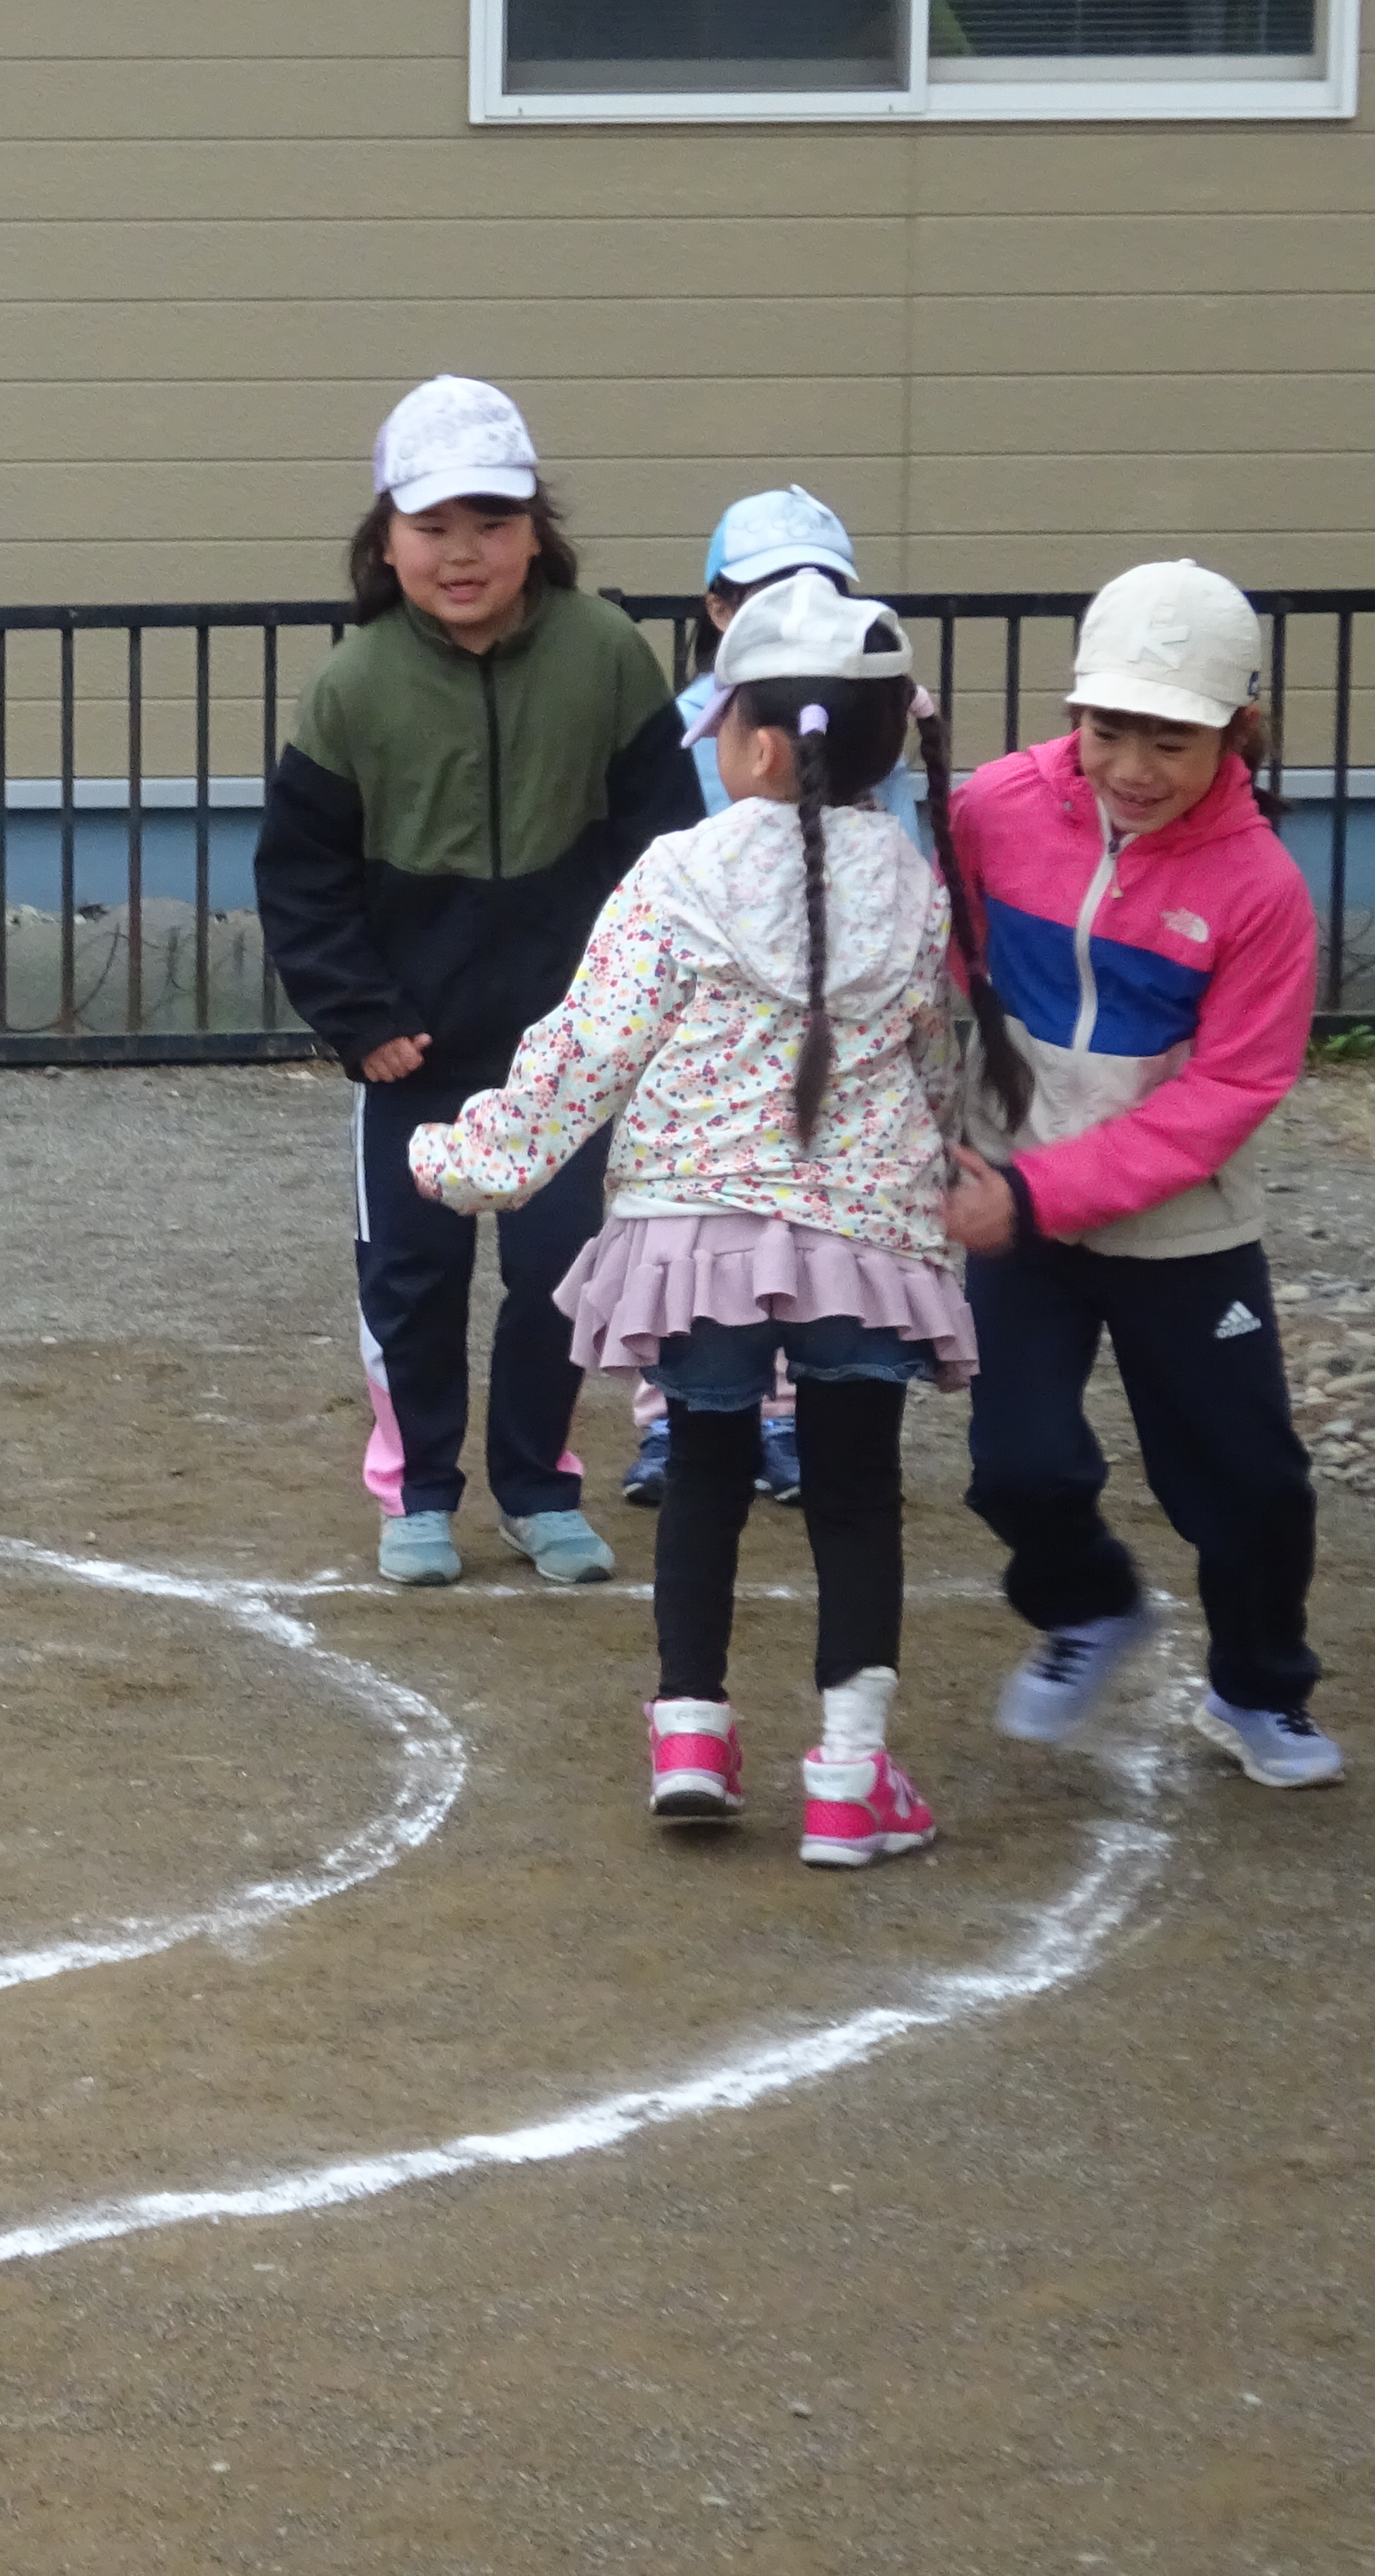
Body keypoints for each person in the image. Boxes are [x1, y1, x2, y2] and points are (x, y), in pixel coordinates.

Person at [411, 576, 1003, 1862]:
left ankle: (690, 1732)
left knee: (705, 1475)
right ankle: (850, 1778)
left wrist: (471, 1161)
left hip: (699, 1237)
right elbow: (931, 1061)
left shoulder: (678, 873)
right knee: (857, 1495)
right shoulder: (914, 885)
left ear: (761, 745)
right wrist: (942, 1179)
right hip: (861, 1238)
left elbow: (586, 1050)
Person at [258, 375, 704, 1588]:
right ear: (386, 540)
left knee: (563, 1272)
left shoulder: (606, 655)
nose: (463, 553)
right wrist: (361, 1016)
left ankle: (537, 1486)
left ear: (536, 531)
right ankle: (418, 1493)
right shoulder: (354, 684)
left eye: (493, 523)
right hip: (414, 1052)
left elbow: (665, 850)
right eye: (433, 526)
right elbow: (301, 877)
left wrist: (629, 1015)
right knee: (411, 1277)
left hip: (570, 1057)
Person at [943, 560, 1339, 1788]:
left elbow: (1228, 1093)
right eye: (1108, 730)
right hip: (1017, 1200)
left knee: (1249, 1482)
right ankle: (1091, 1604)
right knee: (1017, 1468)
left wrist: (1038, 1193)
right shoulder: (993, 808)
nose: (1132, 767)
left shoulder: (1261, 889)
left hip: (1181, 1226)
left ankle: (1258, 1689)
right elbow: (949, 959)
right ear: (1075, 713)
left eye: (1171, 740)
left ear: (1237, 732)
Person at [626, 484, 920, 1513]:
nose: (795, 601)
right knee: (692, 1223)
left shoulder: (868, 717)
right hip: (706, 1025)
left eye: (821, 583)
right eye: (762, 587)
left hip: (827, 1016)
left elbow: (899, 854)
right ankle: (676, 1419)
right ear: (716, 606)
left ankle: (789, 1416)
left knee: (809, 1212)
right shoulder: (689, 724)